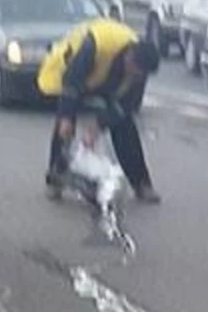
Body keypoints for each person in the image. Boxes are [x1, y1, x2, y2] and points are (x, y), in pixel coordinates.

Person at [37, 17, 162, 204]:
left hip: (106, 81)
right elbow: (71, 82)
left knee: (125, 125)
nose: (135, 75)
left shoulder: (139, 71)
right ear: (129, 55)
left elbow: (126, 105)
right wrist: (66, 117)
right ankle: (56, 178)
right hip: (72, 73)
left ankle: (141, 183)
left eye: (139, 74)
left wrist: (97, 127)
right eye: (134, 70)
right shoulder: (94, 46)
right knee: (65, 128)